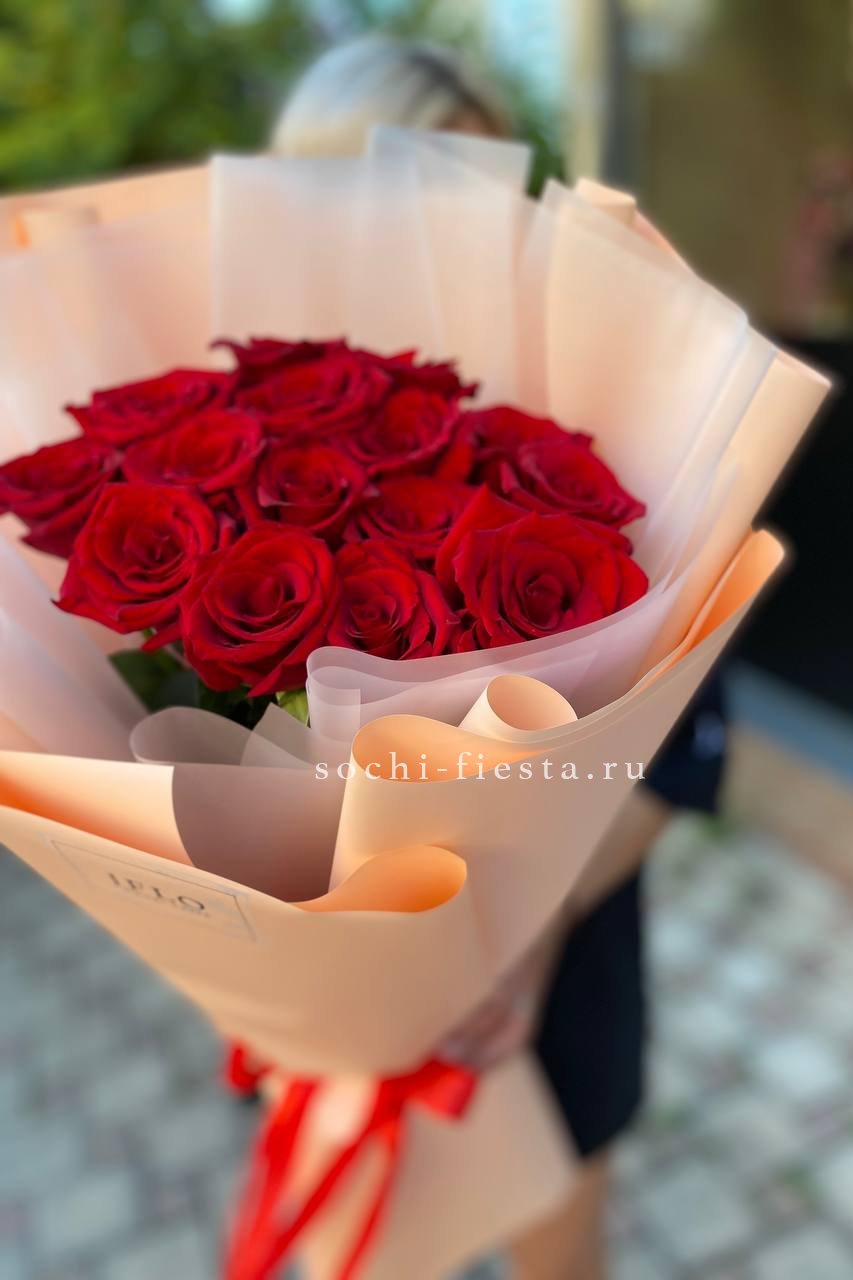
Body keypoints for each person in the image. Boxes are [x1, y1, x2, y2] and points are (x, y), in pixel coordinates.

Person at [273, 35, 728, 1280]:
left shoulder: (602, 428)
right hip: (329, 982)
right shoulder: (251, 446)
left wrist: (520, 932)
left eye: (477, 198)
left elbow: (688, 745)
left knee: (557, 1235)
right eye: (401, 197)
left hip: (554, 959)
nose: (444, 238)